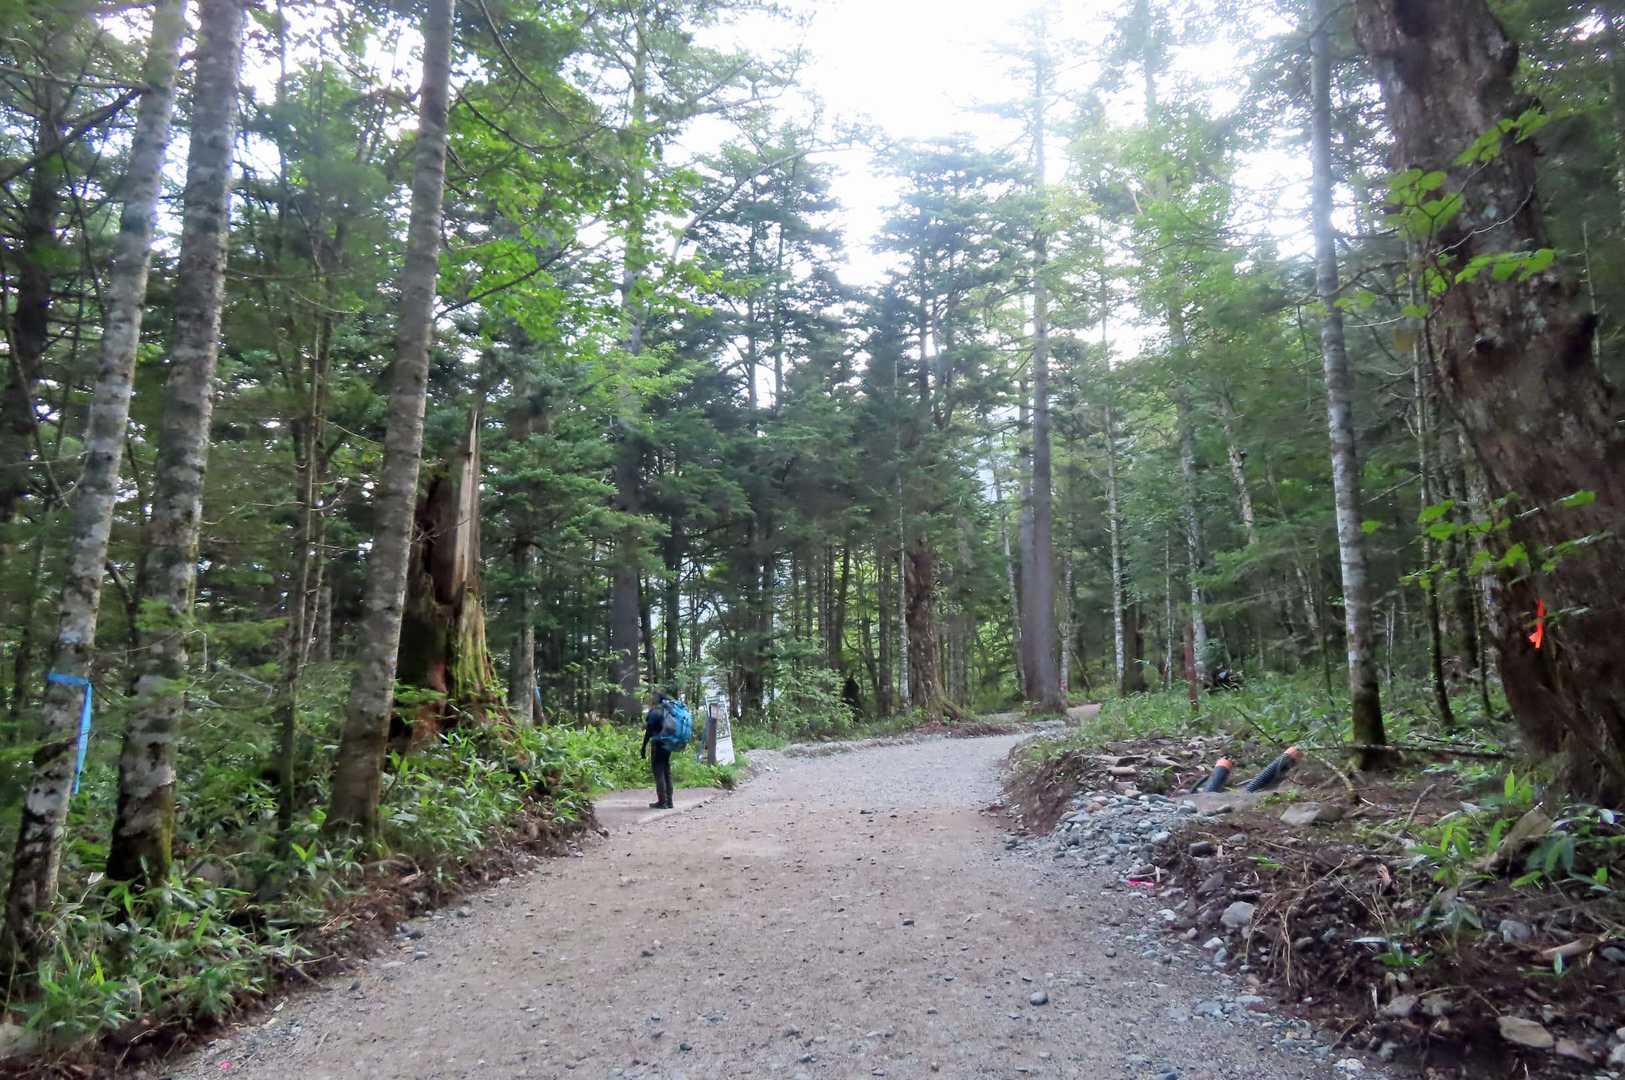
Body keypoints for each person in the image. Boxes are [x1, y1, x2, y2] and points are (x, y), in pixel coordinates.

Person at [641, 690, 674, 810]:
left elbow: (649, 731)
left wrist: (643, 747)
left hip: (658, 744)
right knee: (666, 771)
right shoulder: (668, 711)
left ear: (657, 698)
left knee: (659, 772)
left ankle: (662, 802)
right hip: (668, 744)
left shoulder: (654, 712)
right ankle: (669, 801)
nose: (651, 698)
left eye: (653, 696)